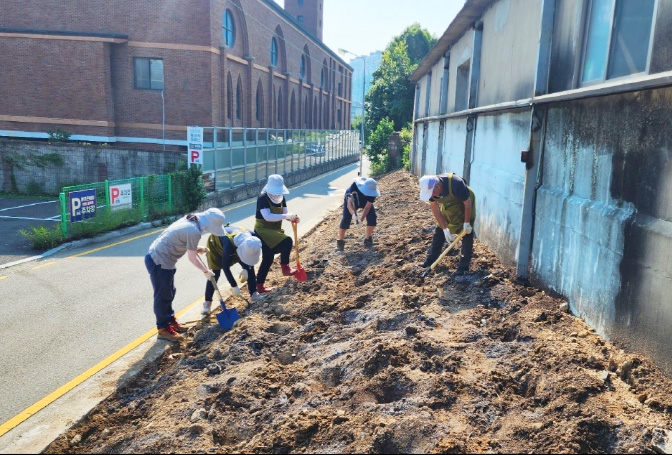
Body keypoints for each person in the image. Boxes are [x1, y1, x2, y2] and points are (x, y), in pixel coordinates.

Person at [144, 207, 226, 342]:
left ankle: (170, 320)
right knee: (163, 295)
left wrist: (197, 248)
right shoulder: (193, 230)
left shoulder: (191, 219)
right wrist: (206, 271)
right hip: (159, 260)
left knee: (170, 292)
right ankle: (163, 329)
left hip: (165, 259)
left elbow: (180, 239)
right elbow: (192, 258)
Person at [419, 173, 476, 276]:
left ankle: (463, 267)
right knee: (439, 230)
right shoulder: (432, 190)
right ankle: (431, 260)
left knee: (466, 233)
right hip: (449, 205)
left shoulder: (456, 183)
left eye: (432, 193)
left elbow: (467, 204)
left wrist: (466, 223)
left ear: (438, 186)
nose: (431, 196)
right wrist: (445, 228)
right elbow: (435, 209)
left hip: (465, 203)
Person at [201, 225, 263, 316]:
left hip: (237, 245)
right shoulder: (228, 246)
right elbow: (225, 267)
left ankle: (253, 293)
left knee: (249, 266)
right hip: (216, 246)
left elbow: (251, 259)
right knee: (214, 274)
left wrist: (246, 268)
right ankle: (207, 303)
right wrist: (234, 286)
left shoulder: (253, 238)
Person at [253, 174, 300, 293]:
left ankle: (259, 286)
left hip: (275, 230)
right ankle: (285, 267)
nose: (277, 194)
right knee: (287, 241)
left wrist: (292, 217)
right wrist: (286, 216)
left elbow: (285, 212)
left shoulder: (281, 198)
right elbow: (267, 217)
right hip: (262, 230)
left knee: (268, 258)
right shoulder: (263, 198)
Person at [336, 177, 381, 251]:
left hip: (364, 202)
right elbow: (349, 205)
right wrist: (353, 214)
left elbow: (367, 207)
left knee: (372, 217)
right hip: (354, 200)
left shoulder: (372, 193)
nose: (368, 193)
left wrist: (361, 220)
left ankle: (368, 239)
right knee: (346, 218)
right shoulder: (354, 187)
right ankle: (340, 242)